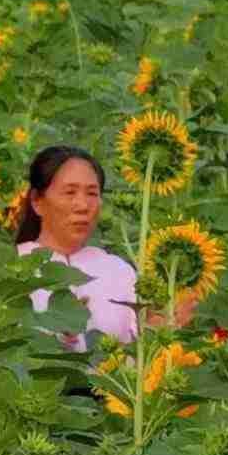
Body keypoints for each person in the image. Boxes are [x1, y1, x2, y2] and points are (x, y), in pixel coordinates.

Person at [13, 145, 137, 347]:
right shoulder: (11, 267)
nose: (83, 205)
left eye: (92, 193)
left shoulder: (120, 272)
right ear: (37, 201)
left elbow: (142, 353)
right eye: (69, 192)